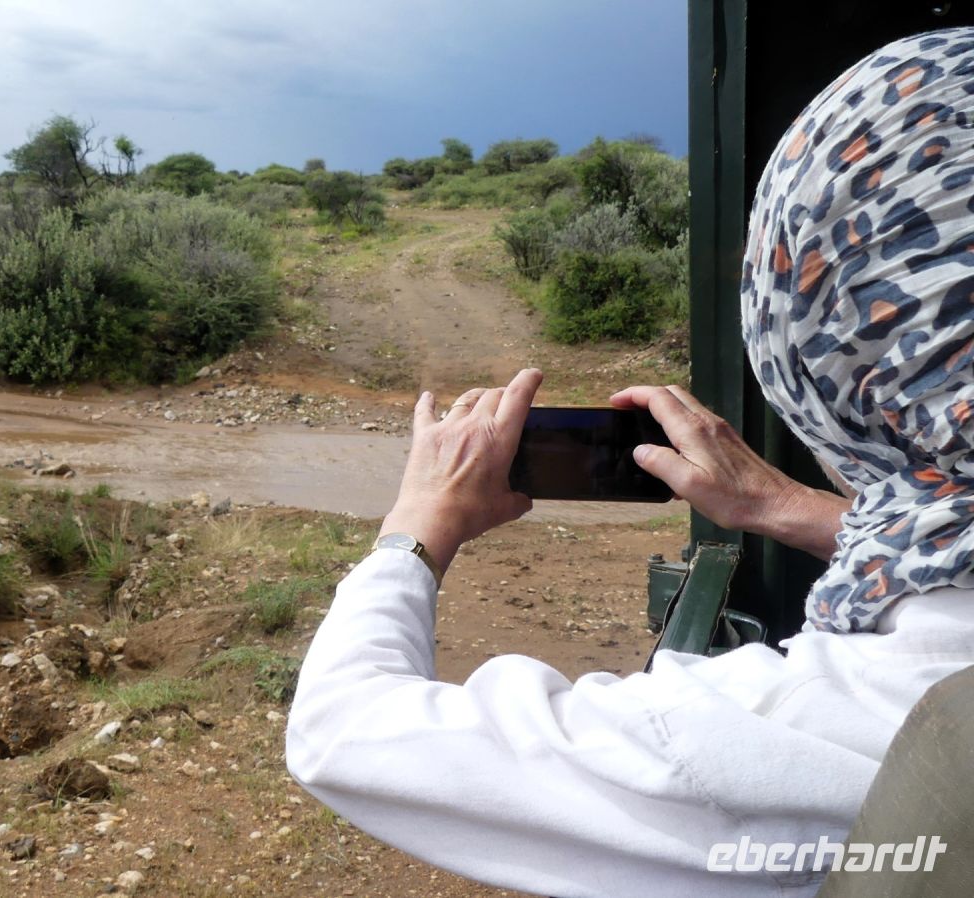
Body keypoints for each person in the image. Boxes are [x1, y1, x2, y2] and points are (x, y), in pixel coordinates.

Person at [286, 28, 974, 898]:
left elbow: (341, 732)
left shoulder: (795, 740)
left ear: (831, 351)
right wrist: (783, 509)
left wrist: (417, 523)